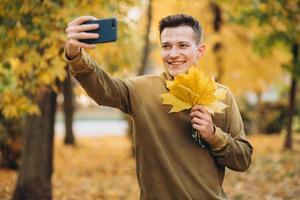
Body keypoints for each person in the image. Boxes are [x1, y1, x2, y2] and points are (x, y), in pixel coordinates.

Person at [64, 14, 253, 200]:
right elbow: (104, 89)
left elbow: (243, 159)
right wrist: (76, 55)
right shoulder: (141, 89)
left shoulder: (222, 96)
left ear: (200, 50)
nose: (173, 54)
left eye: (183, 45)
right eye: (166, 46)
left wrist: (213, 135)